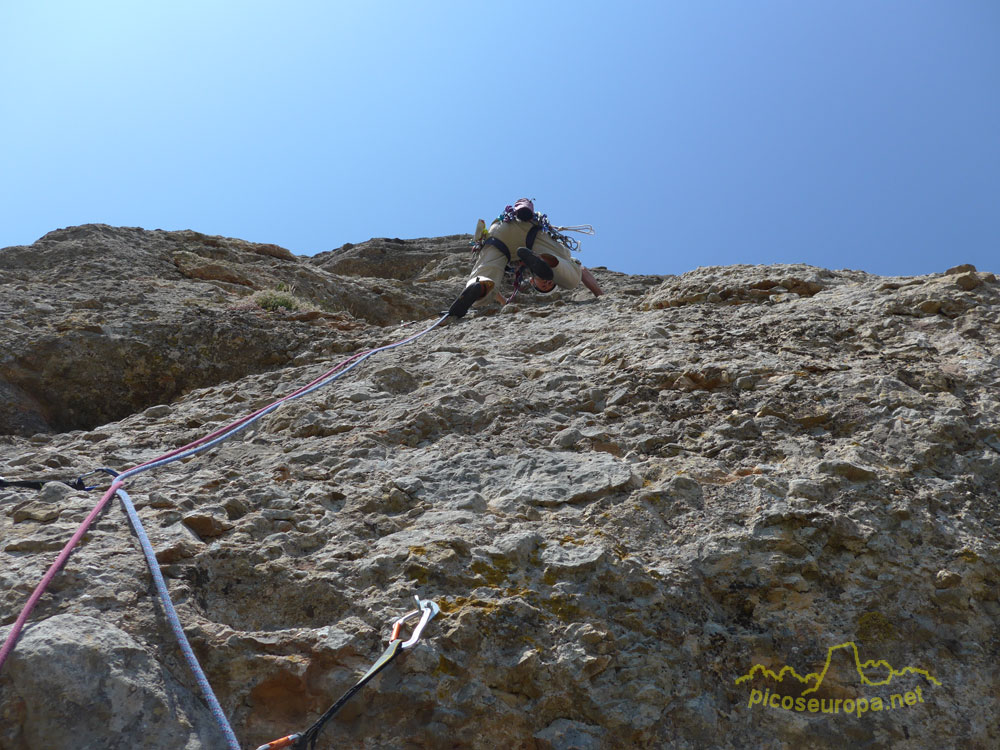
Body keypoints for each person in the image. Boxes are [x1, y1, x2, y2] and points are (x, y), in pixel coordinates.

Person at [448, 198, 603, 318]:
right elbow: (582, 269)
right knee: (572, 278)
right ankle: (546, 261)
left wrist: (504, 303)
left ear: (532, 280)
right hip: (528, 230)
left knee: (485, 276)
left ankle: (479, 286)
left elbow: (500, 292)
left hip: (499, 231)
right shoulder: (523, 270)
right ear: (531, 280)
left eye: (544, 285)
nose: (547, 282)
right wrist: (600, 295)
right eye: (550, 283)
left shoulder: (521, 271)